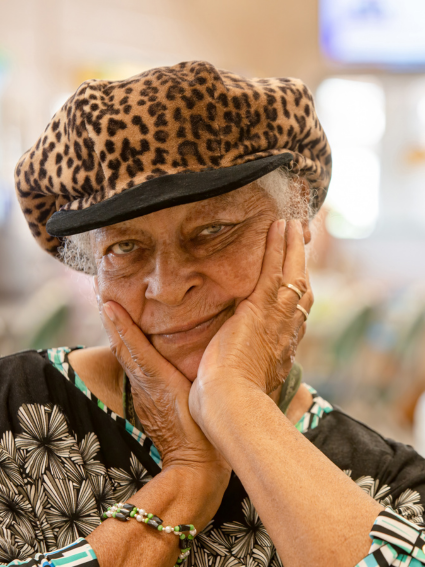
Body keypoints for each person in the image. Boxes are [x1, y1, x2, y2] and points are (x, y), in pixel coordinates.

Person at [3, 60, 425, 567]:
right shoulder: (15, 409)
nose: (169, 287)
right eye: (126, 247)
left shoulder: (390, 483)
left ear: (296, 230)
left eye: (212, 232)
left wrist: (235, 404)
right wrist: (187, 480)